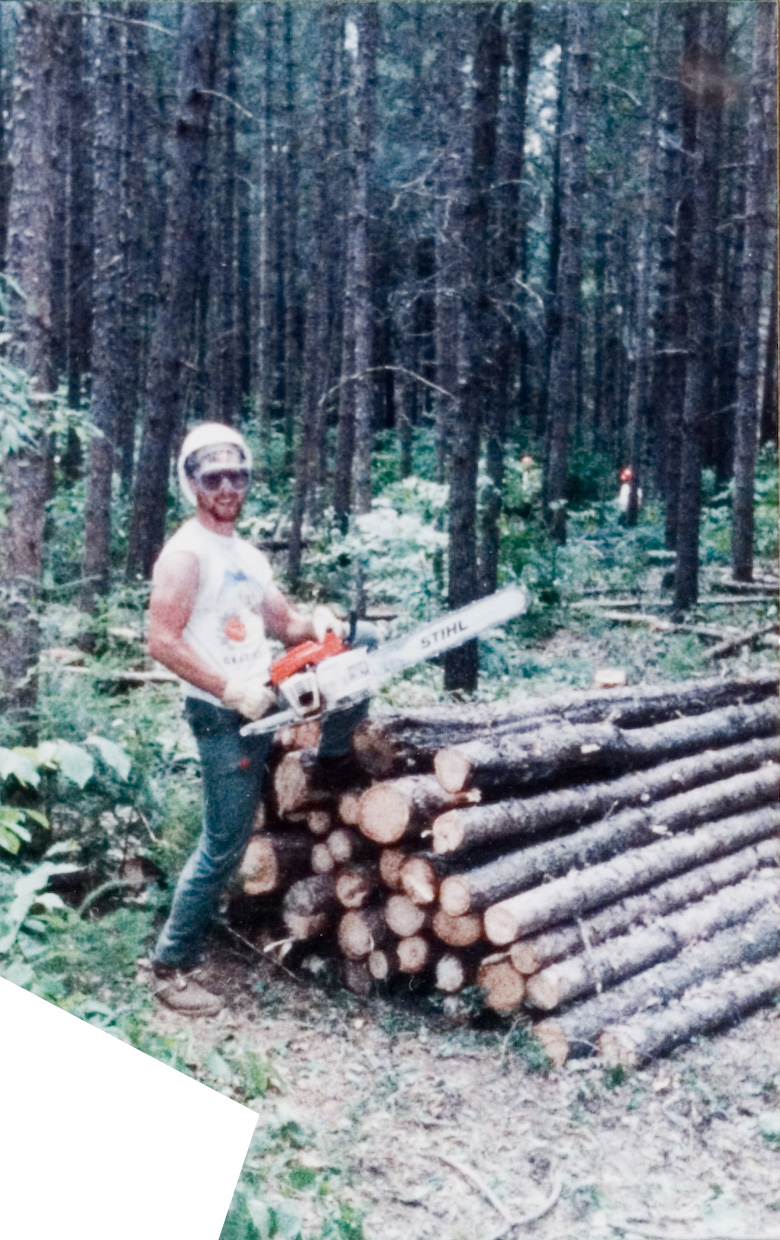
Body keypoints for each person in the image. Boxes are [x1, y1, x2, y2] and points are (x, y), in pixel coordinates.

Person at [145, 422, 373, 1016]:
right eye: (213, 476)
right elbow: (161, 641)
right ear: (192, 484)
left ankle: (331, 765)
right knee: (224, 843)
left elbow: (284, 622)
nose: (226, 487)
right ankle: (171, 965)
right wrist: (228, 688)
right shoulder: (186, 553)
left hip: (265, 693)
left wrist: (316, 625)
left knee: (353, 668)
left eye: (236, 475)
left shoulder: (245, 555)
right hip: (224, 712)